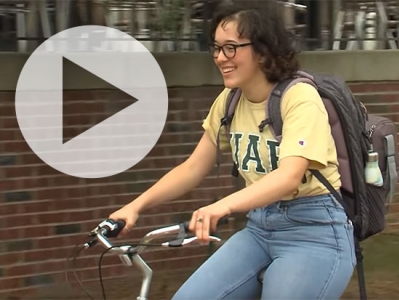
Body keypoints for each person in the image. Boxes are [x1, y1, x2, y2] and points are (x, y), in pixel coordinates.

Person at [109, 2, 356, 299]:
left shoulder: (299, 98)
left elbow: (289, 176)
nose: (220, 58)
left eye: (231, 48)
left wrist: (223, 206)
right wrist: (135, 207)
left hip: (315, 231)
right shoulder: (230, 100)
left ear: (263, 51)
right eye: (216, 48)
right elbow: (193, 168)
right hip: (260, 228)